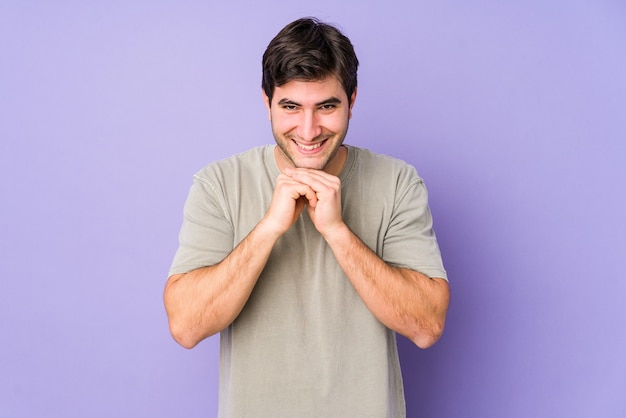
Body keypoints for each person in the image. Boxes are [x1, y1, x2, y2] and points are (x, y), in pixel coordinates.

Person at [164, 17, 450, 418]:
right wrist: (269, 229)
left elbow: (426, 326)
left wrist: (336, 232)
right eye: (291, 107)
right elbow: (187, 327)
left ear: (352, 100)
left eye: (327, 106)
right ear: (267, 103)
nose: (309, 129)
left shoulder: (398, 182)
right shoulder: (219, 184)